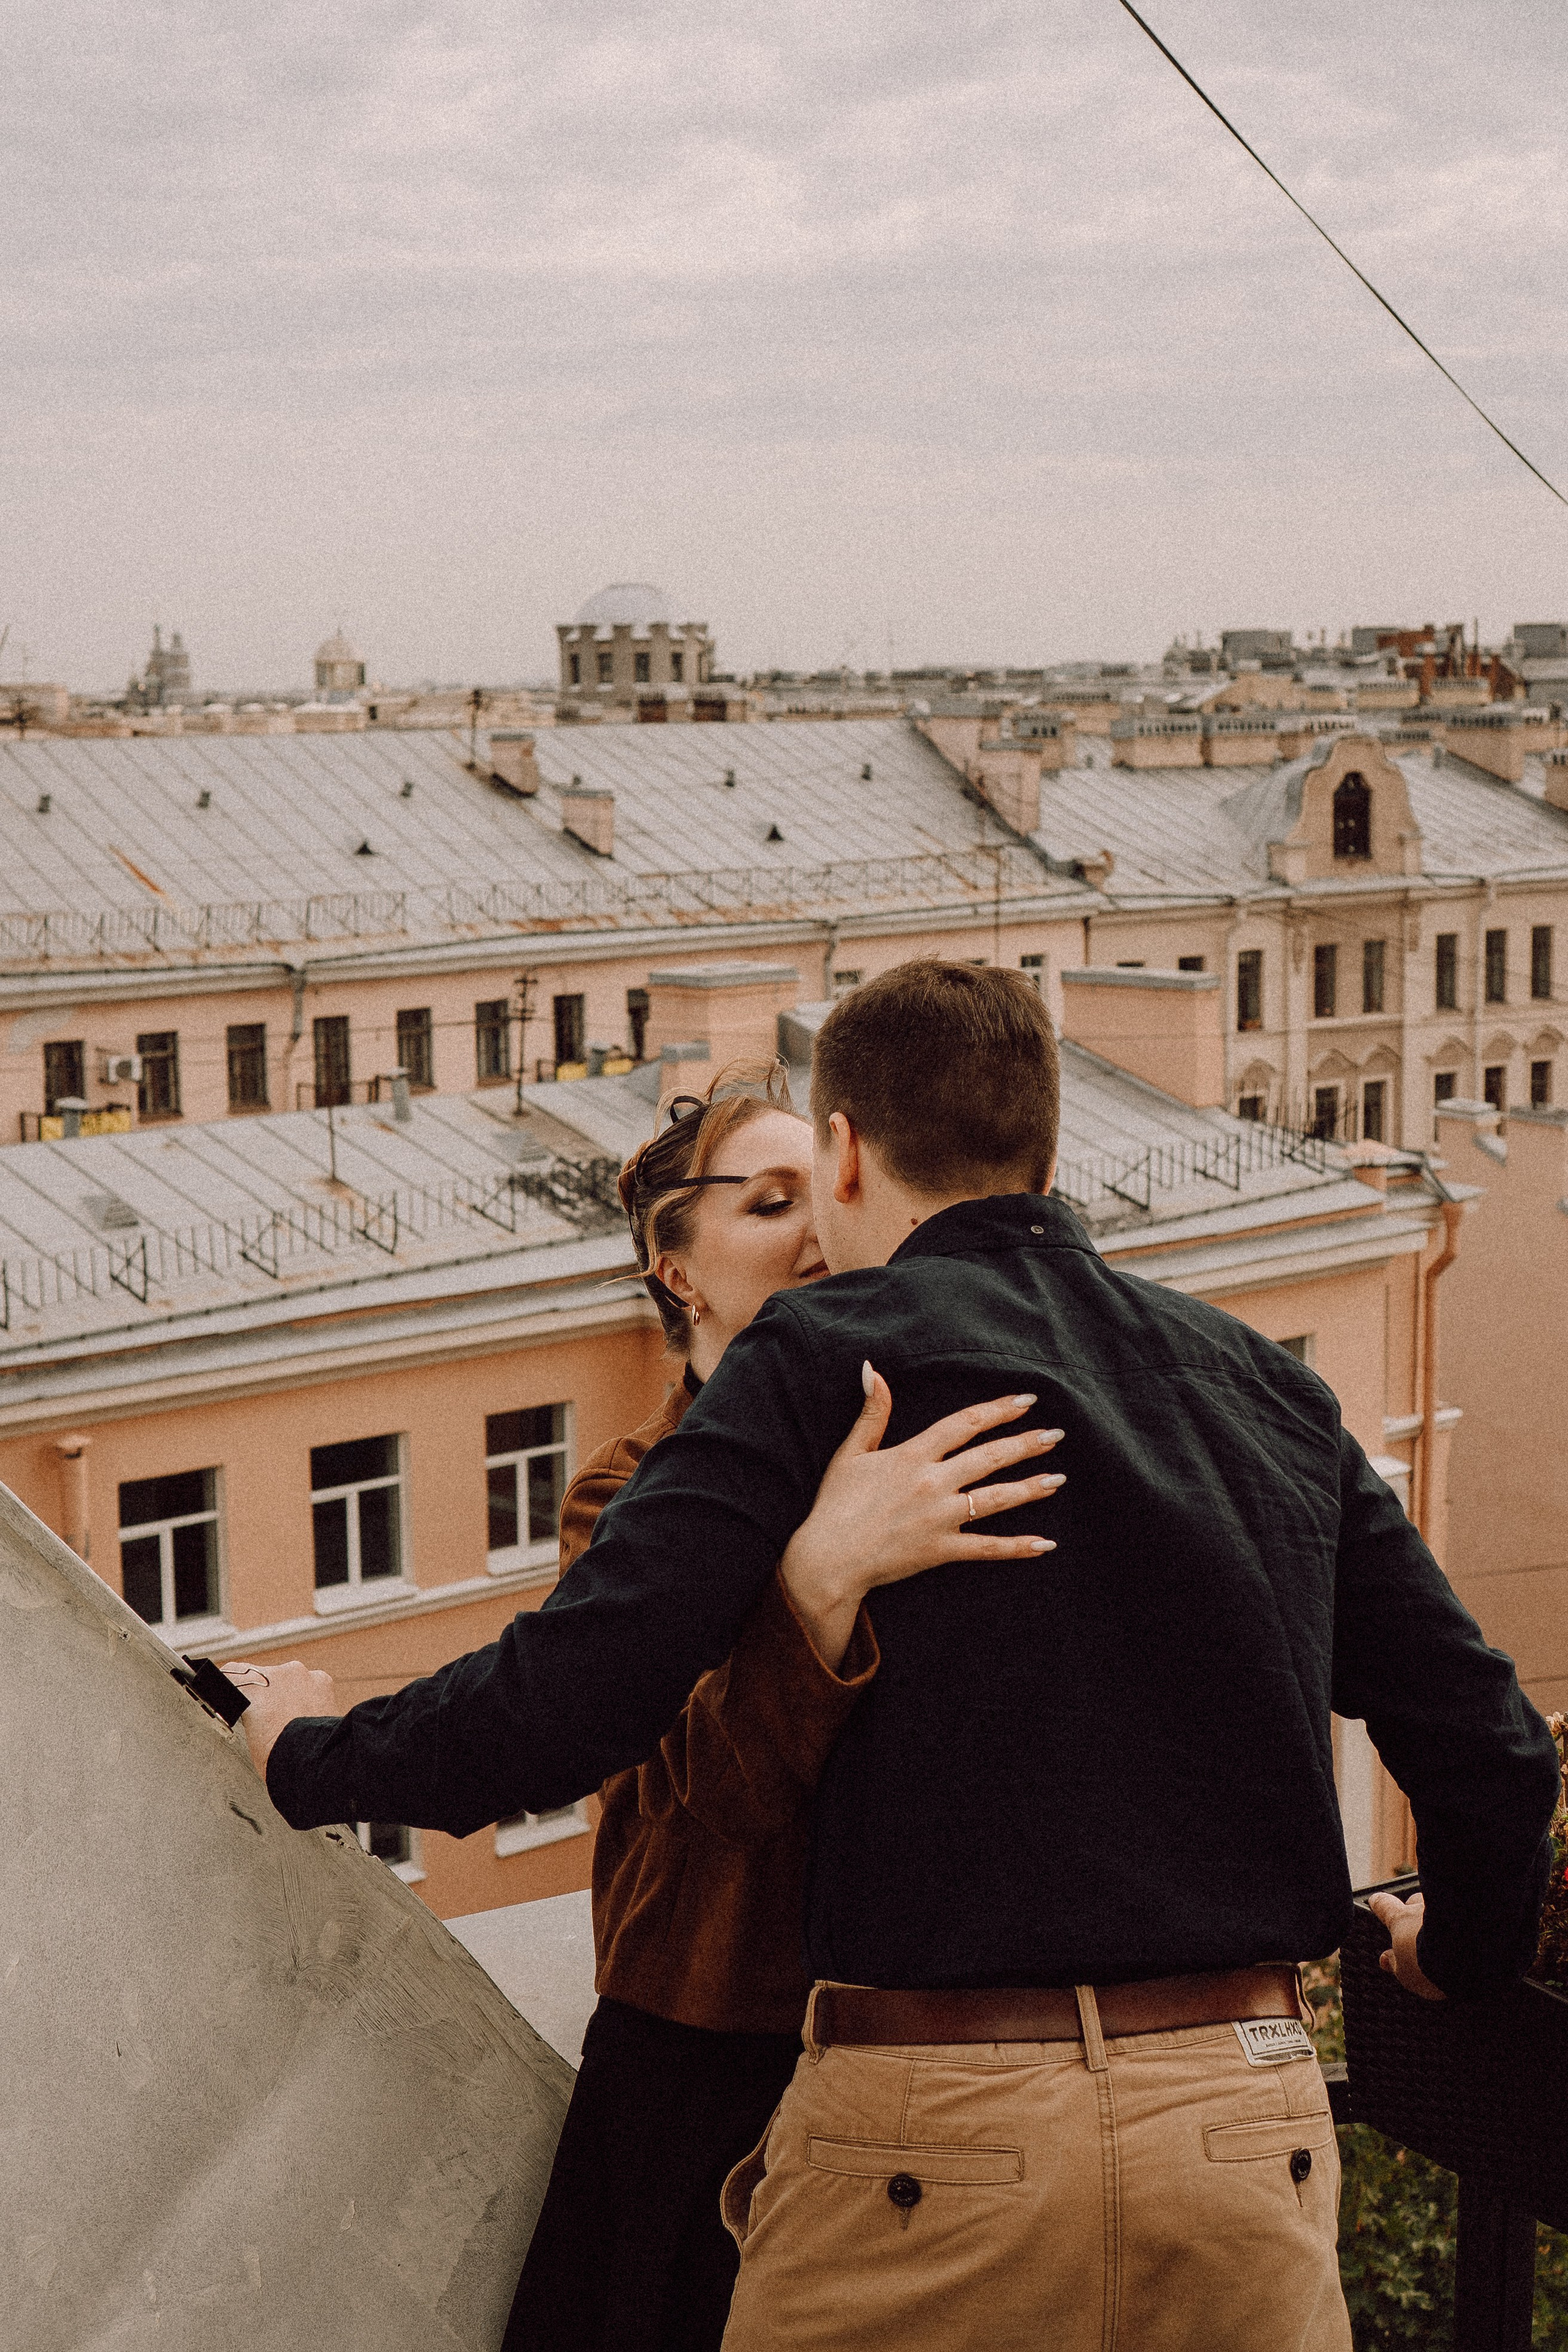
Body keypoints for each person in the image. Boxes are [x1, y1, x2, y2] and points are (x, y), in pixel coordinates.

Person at [241, 960, 1559, 2352]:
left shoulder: (826, 1355)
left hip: (940, 2140)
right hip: (1243, 2129)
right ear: (1045, 1147)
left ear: (848, 1150)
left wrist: (308, 1755)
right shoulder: (1260, 1385)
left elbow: (567, 1700)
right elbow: (1484, 1740)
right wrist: (1459, 1958)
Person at [501, 1070, 1060, 2351]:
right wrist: (818, 1571)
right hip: (712, 2042)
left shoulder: (931, 1453)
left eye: (829, 1192)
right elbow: (719, 1785)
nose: (818, 1230)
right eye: (765, 1204)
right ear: (676, 1273)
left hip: (928, 2052)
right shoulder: (631, 1490)